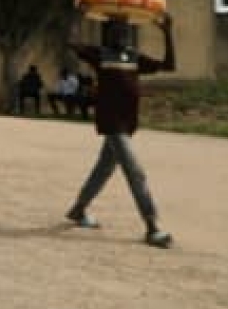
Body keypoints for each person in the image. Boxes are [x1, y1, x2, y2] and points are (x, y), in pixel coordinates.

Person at [65, 13, 176, 248]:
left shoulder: (134, 57)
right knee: (135, 172)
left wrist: (167, 32)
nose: (121, 34)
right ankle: (152, 227)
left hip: (127, 123)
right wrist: (77, 15)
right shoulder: (100, 54)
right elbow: (72, 43)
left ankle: (78, 210)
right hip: (111, 123)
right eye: (116, 30)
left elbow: (169, 65)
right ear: (108, 34)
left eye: (125, 30)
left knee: (102, 170)